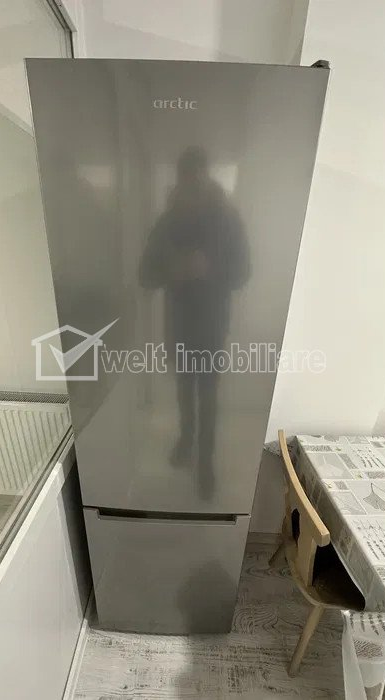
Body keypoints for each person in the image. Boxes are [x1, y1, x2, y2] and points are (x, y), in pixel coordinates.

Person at [139, 147, 250, 497]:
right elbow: (145, 275)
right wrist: (172, 271)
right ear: (180, 181)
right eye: (186, 182)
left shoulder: (228, 220)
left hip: (213, 325)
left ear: (206, 178)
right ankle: (186, 441)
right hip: (180, 324)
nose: (192, 189)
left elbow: (243, 273)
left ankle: (206, 463)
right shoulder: (168, 222)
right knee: (185, 390)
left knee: (209, 395)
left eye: (197, 182)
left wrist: (209, 269)